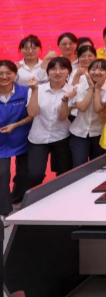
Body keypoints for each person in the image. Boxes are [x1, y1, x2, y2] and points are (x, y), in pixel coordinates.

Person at [27, 57, 75, 189]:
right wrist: (34, 91)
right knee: (35, 175)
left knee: (64, 174)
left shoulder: (72, 91)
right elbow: (32, 113)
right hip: (38, 138)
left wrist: (65, 99)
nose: (57, 72)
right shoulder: (37, 88)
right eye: (53, 69)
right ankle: (32, 198)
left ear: (68, 71)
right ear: (48, 71)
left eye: (62, 68)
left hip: (62, 137)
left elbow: (62, 117)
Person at [0, 60, 34, 223]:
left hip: (22, 138)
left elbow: (32, 114)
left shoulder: (25, 92)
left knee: (25, 173)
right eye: (0, 74)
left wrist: (16, 125)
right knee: (2, 174)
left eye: (8, 73)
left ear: (15, 75)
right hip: (1, 142)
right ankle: (5, 211)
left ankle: (17, 199)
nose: (4, 76)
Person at [68, 58, 106, 167]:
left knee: (97, 167)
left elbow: (98, 109)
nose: (97, 72)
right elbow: (82, 108)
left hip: (99, 133)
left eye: (101, 70)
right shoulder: (80, 87)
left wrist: (97, 89)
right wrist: (91, 88)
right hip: (79, 133)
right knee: (79, 166)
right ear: (88, 71)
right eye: (93, 69)